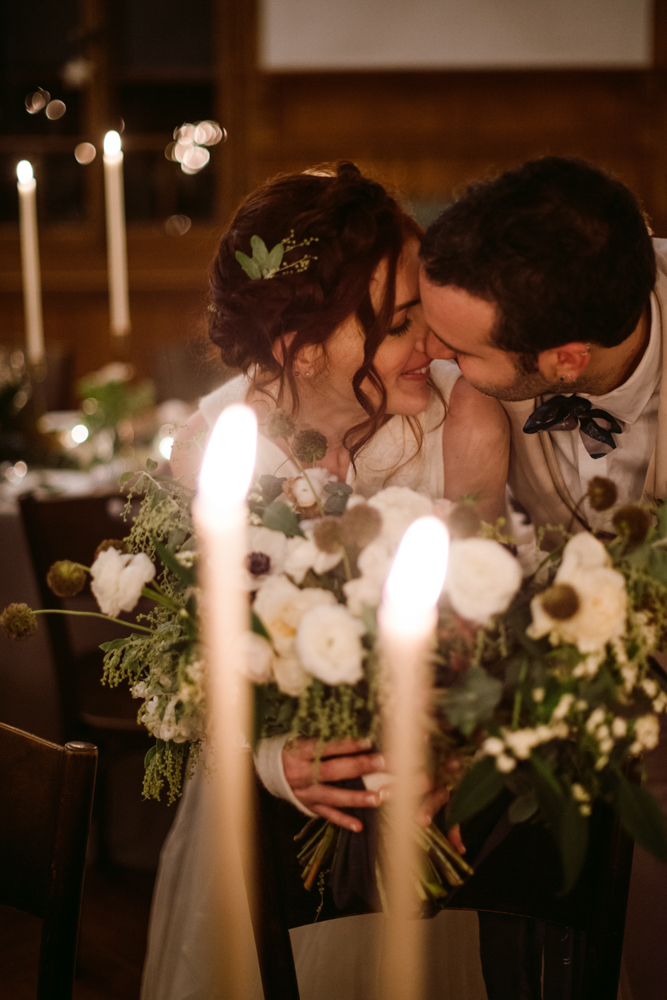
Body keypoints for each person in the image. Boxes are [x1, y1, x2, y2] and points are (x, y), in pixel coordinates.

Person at [143, 161, 507, 1000]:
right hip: (258, 820)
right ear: (301, 351)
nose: (434, 346)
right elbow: (181, 663)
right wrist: (275, 761)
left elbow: (489, 628)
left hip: (435, 804)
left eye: (426, 311)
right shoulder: (215, 448)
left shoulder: (464, 418)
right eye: (398, 325)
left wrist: (444, 750)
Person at [419, 155, 667, 1000]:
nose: (429, 354)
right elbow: (471, 580)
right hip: (567, 726)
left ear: (565, 360)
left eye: (455, 348)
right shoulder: (477, 399)